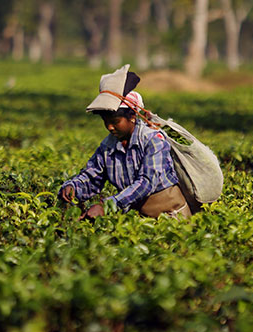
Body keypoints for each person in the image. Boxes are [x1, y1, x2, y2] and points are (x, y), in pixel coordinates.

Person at [58, 65, 191, 219]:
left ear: (132, 117)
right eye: (105, 121)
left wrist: (107, 206)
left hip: (171, 217)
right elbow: (92, 176)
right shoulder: (107, 147)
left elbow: (146, 182)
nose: (109, 127)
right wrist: (73, 187)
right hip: (137, 219)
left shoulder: (153, 139)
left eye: (115, 121)